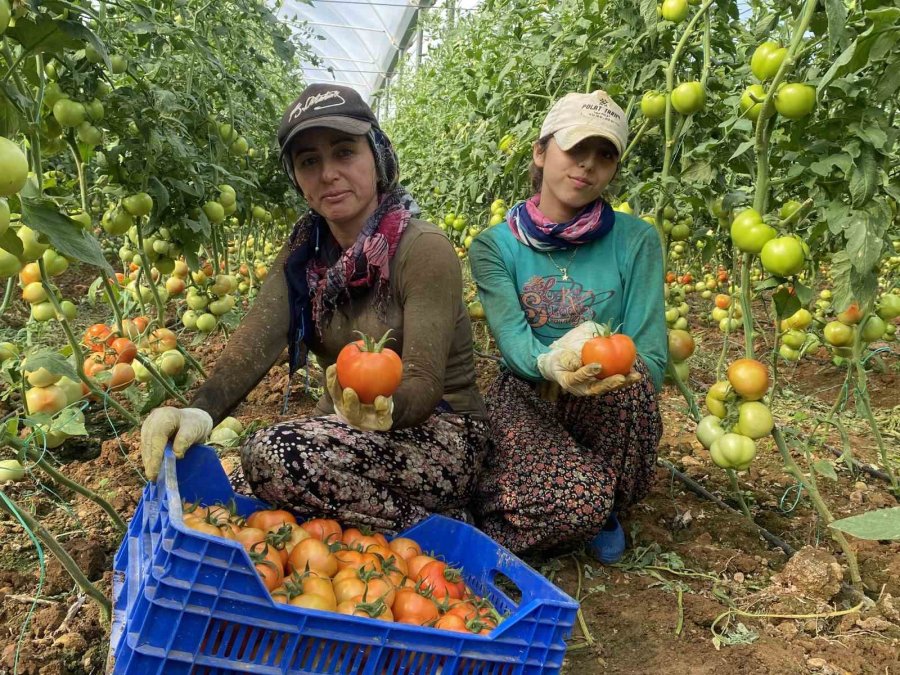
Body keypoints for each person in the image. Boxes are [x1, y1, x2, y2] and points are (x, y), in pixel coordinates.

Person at [140, 84, 488, 534]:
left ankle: (439, 528)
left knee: (271, 457)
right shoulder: (304, 253)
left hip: (442, 432)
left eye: (345, 153)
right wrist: (198, 412)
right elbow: (254, 343)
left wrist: (381, 411)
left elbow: (422, 381)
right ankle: (375, 520)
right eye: (309, 162)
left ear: (377, 158)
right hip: (351, 428)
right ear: (299, 183)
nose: (328, 174)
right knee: (248, 485)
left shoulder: (423, 249)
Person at [469, 90, 666, 561]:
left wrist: (609, 372)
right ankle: (528, 499)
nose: (588, 165)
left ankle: (607, 502)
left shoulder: (636, 240)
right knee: (574, 506)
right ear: (541, 151)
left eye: (604, 155)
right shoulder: (494, 246)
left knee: (634, 377)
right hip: (529, 395)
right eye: (576, 149)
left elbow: (653, 355)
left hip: (609, 402)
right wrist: (556, 367)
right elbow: (516, 344)